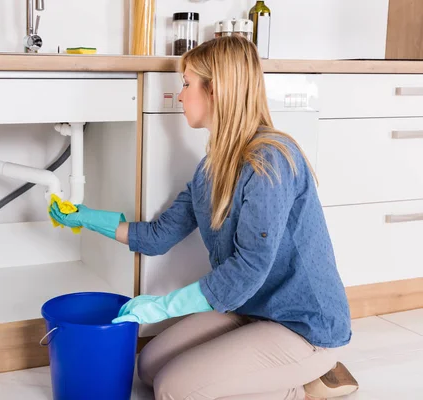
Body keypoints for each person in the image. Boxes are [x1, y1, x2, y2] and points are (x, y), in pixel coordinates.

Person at [49, 36, 359, 400]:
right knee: (148, 367)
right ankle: (276, 372)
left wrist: (163, 307)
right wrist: (84, 217)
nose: (180, 95)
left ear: (216, 91)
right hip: (253, 308)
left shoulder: (271, 161)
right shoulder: (209, 171)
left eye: (186, 84)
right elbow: (156, 237)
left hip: (303, 325)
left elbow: (248, 268)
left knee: (173, 390)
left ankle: (305, 384)